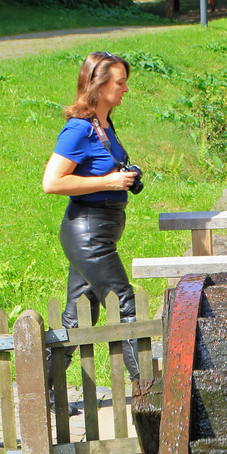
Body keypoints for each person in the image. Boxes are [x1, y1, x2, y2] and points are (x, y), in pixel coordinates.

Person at [42, 51, 141, 415]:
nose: (126, 89)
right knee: (124, 303)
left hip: (99, 230)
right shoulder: (79, 128)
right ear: (98, 87)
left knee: (78, 316)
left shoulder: (105, 124)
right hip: (87, 232)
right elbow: (51, 182)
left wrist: (123, 179)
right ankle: (149, 393)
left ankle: (45, 392)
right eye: (119, 83)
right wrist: (107, 180)